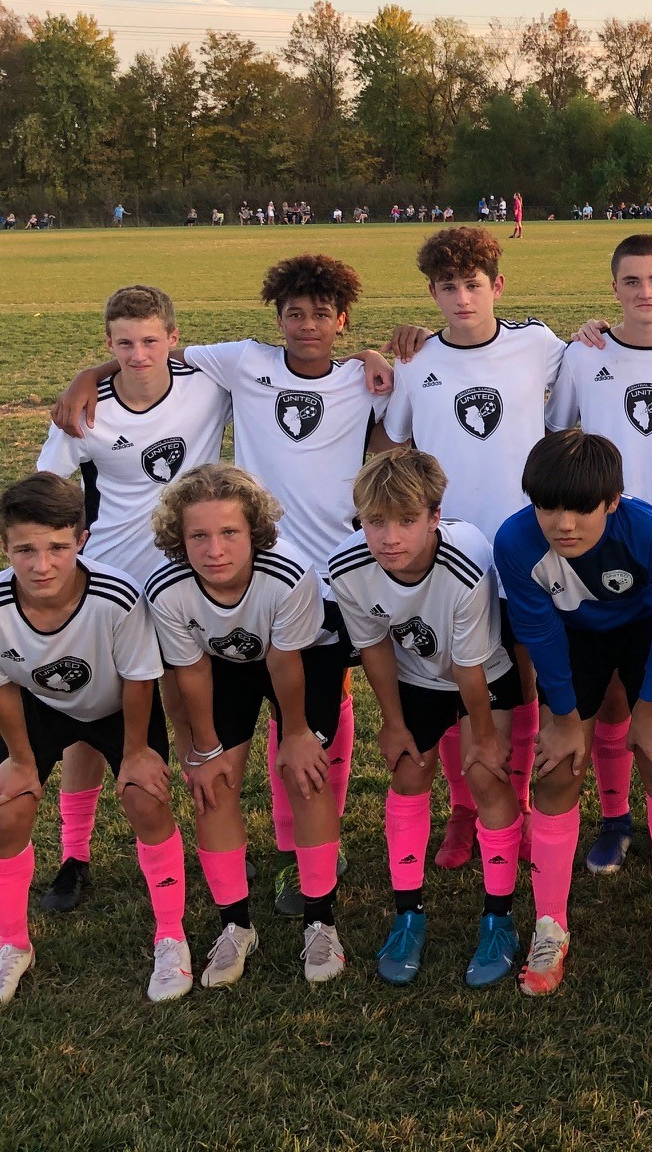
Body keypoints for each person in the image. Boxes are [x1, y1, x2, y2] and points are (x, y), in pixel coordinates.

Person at [52, 255, 394, 919]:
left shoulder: (366, 380)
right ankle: (191, 828)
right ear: (277, 317)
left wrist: (380, 353)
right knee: (203, 699)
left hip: (333, 577)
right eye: (294, 314)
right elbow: (148, 354)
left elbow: (397, 422)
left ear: (344, 319)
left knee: (318, 710)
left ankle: (304, 843)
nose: (307, 325)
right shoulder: (242, 361)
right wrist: (86, 376)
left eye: (322, 314)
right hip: (242, 570)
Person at [0, 473, 188, 1009]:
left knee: (146, 799)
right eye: (25, 550)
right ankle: (12, 946)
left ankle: (171, 936)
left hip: (117, 704)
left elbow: (138, 678)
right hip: (40, 707)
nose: (42, 565)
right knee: (9, 812)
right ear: (3, 546)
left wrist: (136, 753)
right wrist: (20, 760)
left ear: (82, 540)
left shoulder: (117, 596)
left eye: (57, 548)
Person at [33, 286, 231, 911]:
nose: (138, 354)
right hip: (108, 582)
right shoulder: (85, 411)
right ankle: (74, 854)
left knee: (187, 708)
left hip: (185, 580)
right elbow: (47, 489)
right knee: (91, 721)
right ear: (108, 344)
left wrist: (367, 355)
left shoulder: (209, 386)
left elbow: (281, 365)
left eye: (150, 340)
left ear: (174, 338)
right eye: (123, 344)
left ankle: (207, 840)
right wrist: (85, 381)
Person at [377, 226, 562, 873]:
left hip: (522, 545)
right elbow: (392, 439)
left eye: (473, 284)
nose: (462, 298)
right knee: (458, 675)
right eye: (448, 286)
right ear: (431, 292)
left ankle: (520, 799)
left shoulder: (537, 345)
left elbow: (607, 356)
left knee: (521, 675)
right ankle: (464, 806)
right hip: (445, 553)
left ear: (497, 286)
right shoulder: (415, 359)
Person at [493, 430, 652, 995]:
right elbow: (538, 630)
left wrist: (649, 709)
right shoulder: (514, 541)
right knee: (558, 770)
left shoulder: (650, 533)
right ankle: (550, 927)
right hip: (574, 636)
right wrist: (563, 718)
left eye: (581, 509)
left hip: (647, 634)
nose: (564, 524)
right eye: (548, 507)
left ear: (612, 501)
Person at [550, 234, 652, 875]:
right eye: (631, 281)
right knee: (615, 696)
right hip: (599, 546)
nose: (644, 292)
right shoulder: (582, 354)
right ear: (613, 288)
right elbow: (558, 430)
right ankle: (616, 817)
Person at [329, 448, 527, 988]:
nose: (389, 537)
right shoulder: (347, 566)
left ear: (435, 516)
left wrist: (483, 738)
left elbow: (469, 666)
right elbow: (374, 646)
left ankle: (499, 919)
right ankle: (408, 914)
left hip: (484, 672)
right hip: (417, 674)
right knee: (408, 771)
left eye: (406, 520)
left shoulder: (467, 560)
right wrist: (393, 723)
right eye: (375, 521)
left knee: (486, 776)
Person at [146, 465, 351, 985]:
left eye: (229, 532)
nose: (215, 550)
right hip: (222, 664)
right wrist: (205, 748)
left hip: (304, 659)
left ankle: (320, 920)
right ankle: (235, 926)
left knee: (306, 777)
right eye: (199, 536)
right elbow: (191, 671)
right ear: (178, 538)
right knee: (214, 787)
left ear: (255, 532)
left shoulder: (288, 573)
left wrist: (296, 734)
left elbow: (285, 661)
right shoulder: (166, 588)